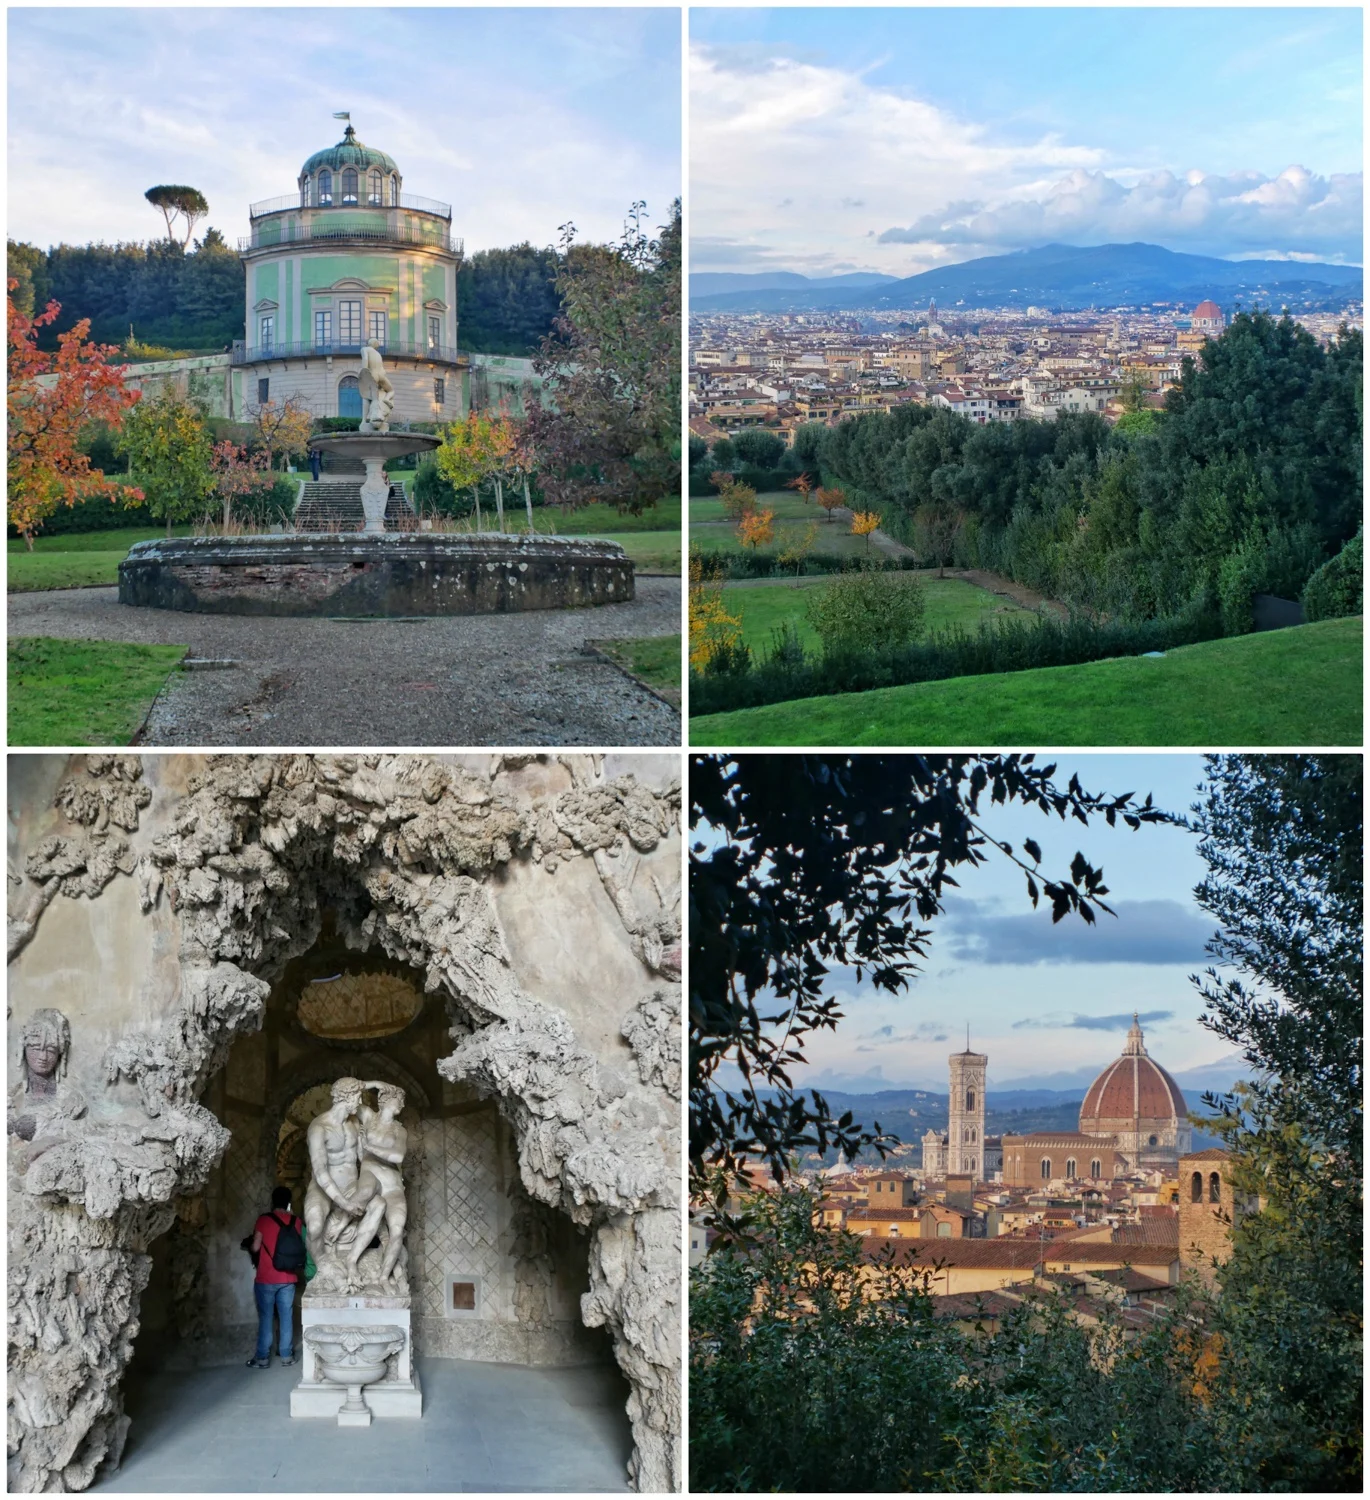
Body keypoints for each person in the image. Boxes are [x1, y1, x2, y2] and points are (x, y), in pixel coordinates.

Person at [246, 1186, 305, 1368]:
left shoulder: (264, 1220)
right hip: (288, 1278)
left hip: (266, 1277)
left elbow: (256, 1247)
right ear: (288, 1202)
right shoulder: (296, 1221)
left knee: (266, 1317)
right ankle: (286, 1356)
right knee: (286, 1316)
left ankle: (262, 1358)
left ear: (273, 1200)